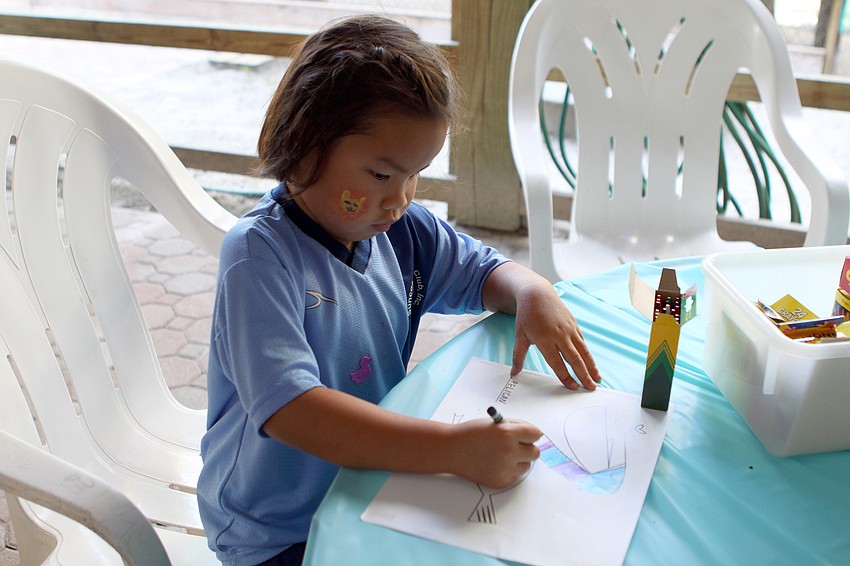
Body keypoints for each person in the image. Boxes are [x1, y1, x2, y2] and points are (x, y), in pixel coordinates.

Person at [197, 14, 602, 566]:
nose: (401, 198)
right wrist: (453, 452)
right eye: (381, 175)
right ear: (307, 145)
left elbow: (486, 273)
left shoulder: (403, 232)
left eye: (418, 174)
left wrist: (534, 292)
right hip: (278, 528)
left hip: (371, 485)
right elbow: (295, 412)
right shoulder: (259, 258)